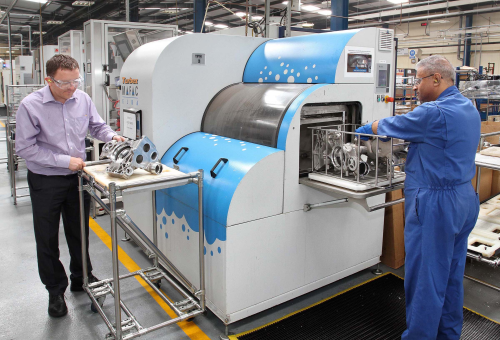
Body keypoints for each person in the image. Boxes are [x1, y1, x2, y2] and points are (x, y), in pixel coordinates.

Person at [356, 55, 480, 339]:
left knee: (425, 279)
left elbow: (387, 126)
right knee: (449, 276)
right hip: (464, 198)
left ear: (436, 79)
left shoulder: (432, 113)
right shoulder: (469, 107)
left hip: (436, 205)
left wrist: (362, 129)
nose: (413, 86)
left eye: (417, 79)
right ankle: (448, 335)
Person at [15, 55, 126, 318]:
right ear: (49, 80)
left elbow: (96, 126)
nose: (71, 87)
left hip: (77, 179)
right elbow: (25, 148)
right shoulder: (30, 106)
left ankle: (82, 277)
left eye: (76, 80)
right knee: (47, 237)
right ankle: (55, 290)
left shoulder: (83, 99)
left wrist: (112, 135)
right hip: (45, 181)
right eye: (65, 83)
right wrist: (65, 161)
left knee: (79, 232)